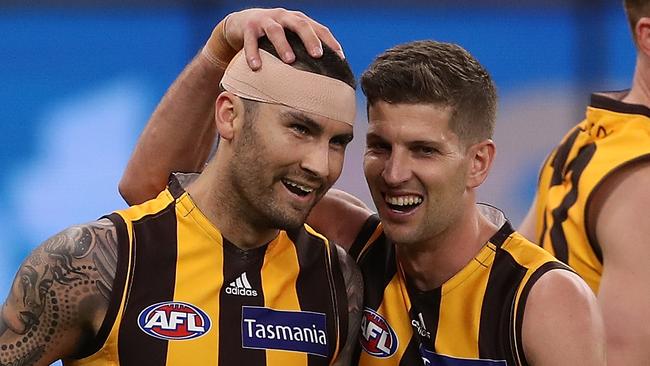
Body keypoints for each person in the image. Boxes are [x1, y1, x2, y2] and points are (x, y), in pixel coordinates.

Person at [120, 10, 606, 366]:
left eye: (424, 150)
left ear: (478, 163)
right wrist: (218, 51)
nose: (394, 173)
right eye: (379, 146)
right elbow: (154, 195)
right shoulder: (346, 240)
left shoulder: (544, 300)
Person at [0, 9, 362, 366]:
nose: (321, 164)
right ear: (229, 115)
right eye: (300, 129)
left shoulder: (334, 280)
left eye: (338, 142)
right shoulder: (90, 263)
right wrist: (219, 46)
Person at [518, 0, 650, 364]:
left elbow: (512, 272)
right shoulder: (641, 181)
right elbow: (626, 355)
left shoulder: (583, 139)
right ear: (647, 36)